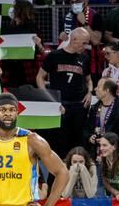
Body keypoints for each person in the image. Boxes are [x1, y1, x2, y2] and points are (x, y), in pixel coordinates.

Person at [37, 27, 93, 155]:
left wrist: (89, 93)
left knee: (78, 142)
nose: (86, 46)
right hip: (60, 105)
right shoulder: (54, 56)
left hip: (80, 106)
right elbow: (39, 77)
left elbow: (89, 80)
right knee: (61, 143)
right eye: (84, 43)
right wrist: (50, 99)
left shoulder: (85, 58)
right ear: (73, 39)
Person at [86, 78, 119, 154]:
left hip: (115, 156)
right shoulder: (94, 108)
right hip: (97, 154)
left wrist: (109, 141)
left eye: (98, 87)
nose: (95, 89)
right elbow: (86, 129)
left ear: (107, 90)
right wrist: (89, 137)